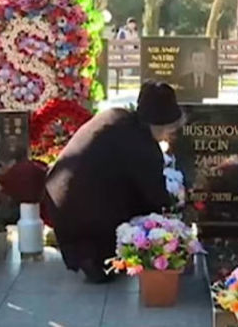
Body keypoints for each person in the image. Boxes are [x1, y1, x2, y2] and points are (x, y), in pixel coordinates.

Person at [45, 81, 181, 283]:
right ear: (162, 125)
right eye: (170, 129)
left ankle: (89, 254)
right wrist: (174, 211)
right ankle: (95, 257)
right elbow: (155, 198)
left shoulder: (117, 117)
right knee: (137, 210)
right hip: (82, 208)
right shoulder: (144, 147)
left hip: (58, 196)